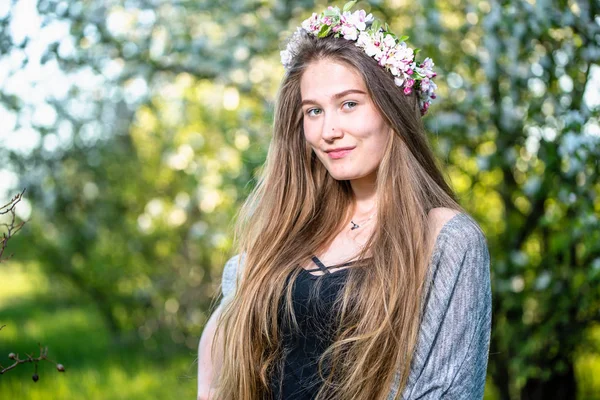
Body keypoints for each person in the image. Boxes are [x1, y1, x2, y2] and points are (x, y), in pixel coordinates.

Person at [198, 3, 491, 399]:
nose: (328, 130)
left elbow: (446, 389)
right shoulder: (286, 232)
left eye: (349, 104)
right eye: (313, 111)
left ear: (392, 110)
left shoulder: (447, 239)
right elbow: (221, 365)